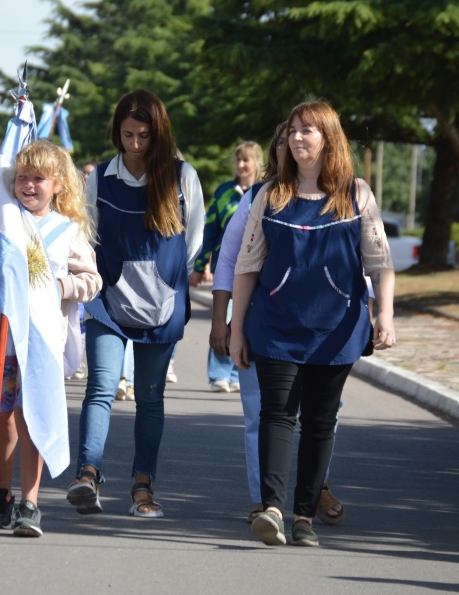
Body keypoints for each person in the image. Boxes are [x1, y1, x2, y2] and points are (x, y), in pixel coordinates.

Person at [230, 100, 395, 547]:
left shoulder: (356, 193)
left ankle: (304, 516)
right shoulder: (269, 195)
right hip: (275, 328)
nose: (298, 138)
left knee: (321, 421)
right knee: (277, 415)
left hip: (335, 331)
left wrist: (385, 315)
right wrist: (236, 329)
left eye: (308, 131)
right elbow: (247, 266)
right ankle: (273, 510)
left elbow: (381, 263)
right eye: (293, 131)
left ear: (328, 138)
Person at [68, 89, 204, 518]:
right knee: (101, 388)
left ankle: (142, 486)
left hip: (163, 305)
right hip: (108, 303)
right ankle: (87, 474)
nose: (135, 145)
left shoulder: (183, 177)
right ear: (117, 133)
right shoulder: (100, 178)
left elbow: (193, 243)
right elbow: (85, 236)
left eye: (144, 136)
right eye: (127, 135)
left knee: (149, 396)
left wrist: (165, 281)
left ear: (158, 133)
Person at [215, 124, 349, 527]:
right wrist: (224, 323)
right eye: (281, 144)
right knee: (264, 413)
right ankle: (264, 500)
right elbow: (231, 260)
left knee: (323, 416)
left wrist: (373, 312)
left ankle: (315, 488)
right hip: (269, 327)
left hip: (324, 327)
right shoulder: (259, 197)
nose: (288, 150)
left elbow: (355, 259)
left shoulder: (342, 193)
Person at [0, 139, 101, 537]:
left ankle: (30, 502)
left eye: (39, 179)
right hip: (3, 338)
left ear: (59, 184)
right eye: (23, 178)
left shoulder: (68, 231)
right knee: (5, 418)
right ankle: (3, 494)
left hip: (43, 341)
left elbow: (91, 281)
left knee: (34, 421)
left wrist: (59, 285)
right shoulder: (4, 221)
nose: (29, 186)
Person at [191, 141, 262, 393]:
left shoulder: (264, 192)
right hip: (227, 267)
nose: (242, 165)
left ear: (257, 163)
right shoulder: (223, 193)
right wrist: (200, 265)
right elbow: (209, 231)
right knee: (226, 317)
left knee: (246, 320)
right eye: (238, 160)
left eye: (247, 160)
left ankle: (236, 372)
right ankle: (219, 374)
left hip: (256, 269)